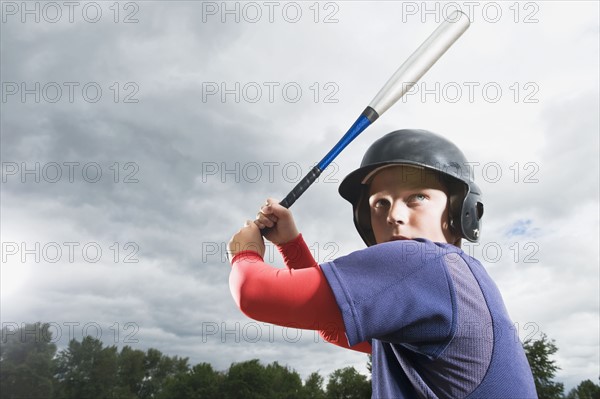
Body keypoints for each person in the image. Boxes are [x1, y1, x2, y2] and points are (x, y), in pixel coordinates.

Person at [227, 129, 537, 398]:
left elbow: (254, 293)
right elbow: (334, 325)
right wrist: (292, 246)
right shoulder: (454, 284)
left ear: (459, 212)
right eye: (380, 203)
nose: (393, 215)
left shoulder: (426, 264)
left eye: (417, 197)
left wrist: (244, 252)